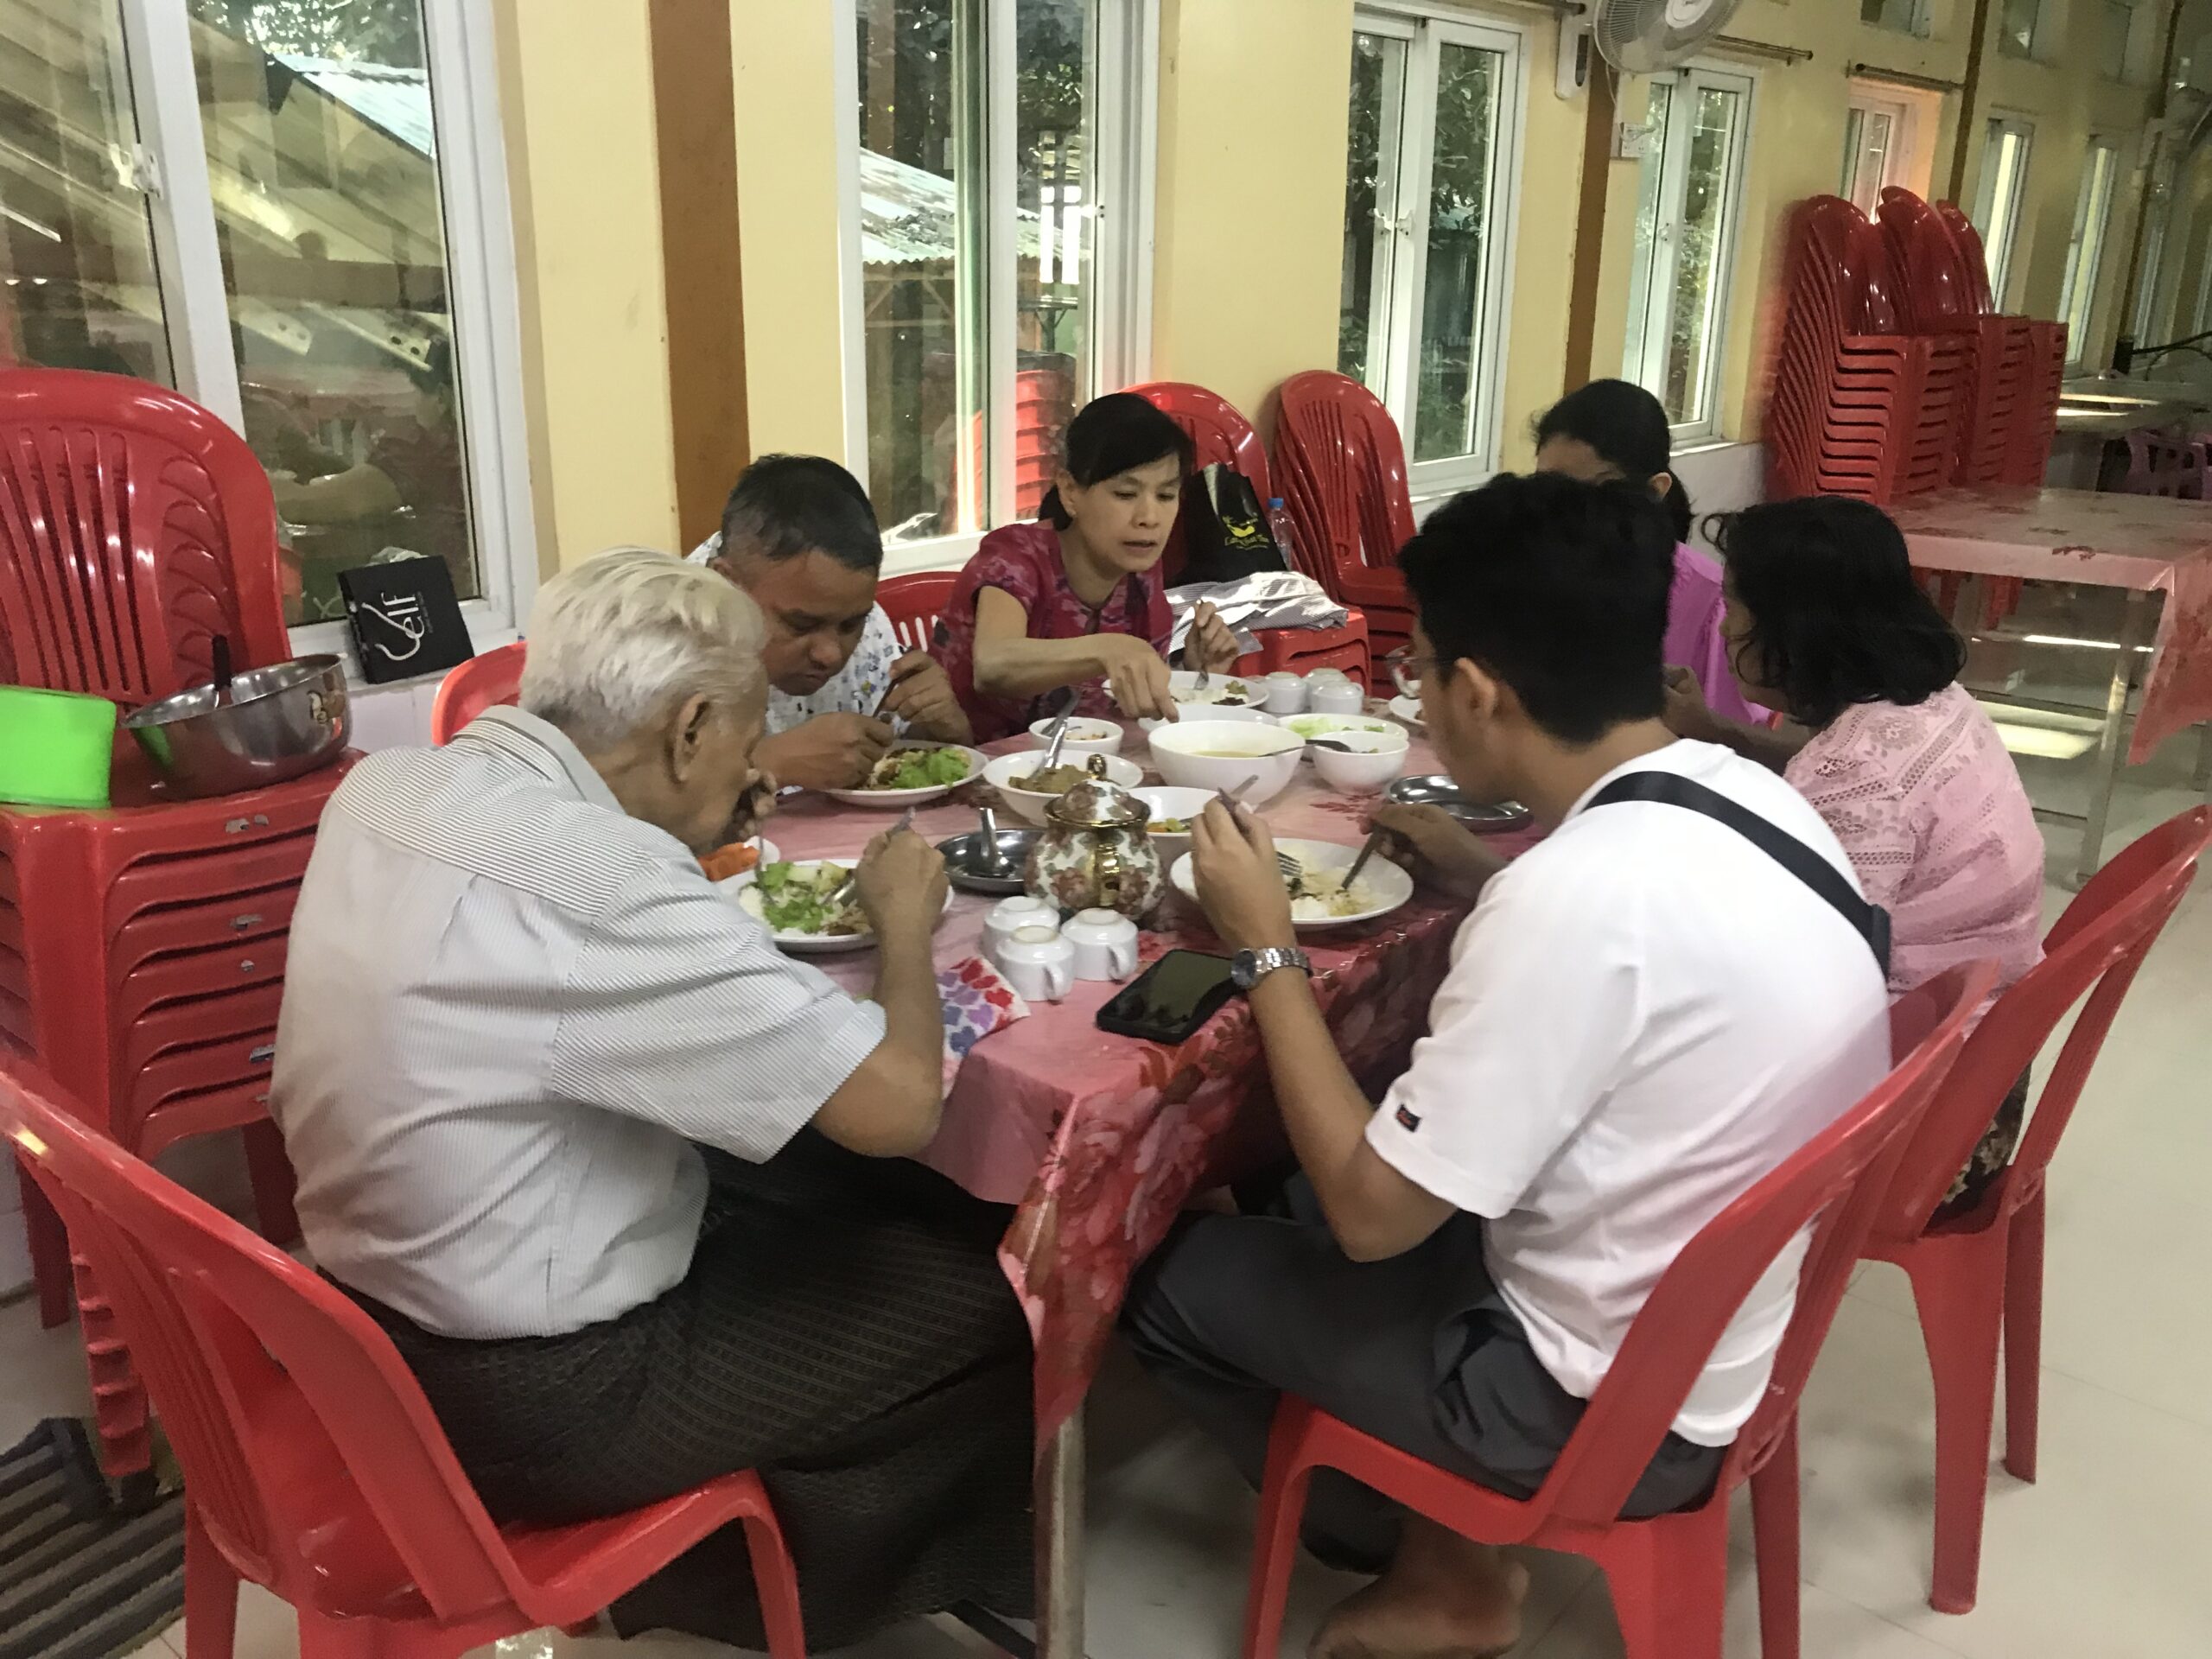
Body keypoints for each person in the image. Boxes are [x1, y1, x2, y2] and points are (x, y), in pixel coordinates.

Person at [1124, 473, 1891, 1658]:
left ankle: (1442, 1565)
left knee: (1154, 1268)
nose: (1419, 694)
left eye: (1421, 668)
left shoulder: (1572, 900)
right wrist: (1488, 881)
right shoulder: (1747, 790)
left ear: (1477, 692)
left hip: (1599, 1410)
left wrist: (1265, 942)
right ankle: (1434, 1536)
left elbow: (1373, 1220)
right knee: (1319, 1160)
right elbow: (1628, 966)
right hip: (1718, 1333)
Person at [270, 549, 1032, 1650]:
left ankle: (802, 1527)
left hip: (358, 1320)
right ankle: (724, 1582)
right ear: (687, 730)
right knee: (986, 1293)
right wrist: (903, 924)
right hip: (533, 1399)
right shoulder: (603, 881)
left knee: (818, 1171)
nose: (749, 766)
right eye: (742, 741)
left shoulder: (388, 785)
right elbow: (899, 1106)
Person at [1665, 495, 2045, 1215]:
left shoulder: (1854, 777)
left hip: (1927, 1120)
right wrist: (1718, 731)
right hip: (1982, 1063)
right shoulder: (1926, 702)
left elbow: (1804, 989)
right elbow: (1831, 766)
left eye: (1737, 604)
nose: (1724, 624)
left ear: (1795, 629)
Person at [932, 391, 1242, 739]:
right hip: (965, 761)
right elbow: (993, 665)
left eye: (1166, 496)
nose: (1149, 517)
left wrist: (1195, 673)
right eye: (1125, 494)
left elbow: (1129, 710)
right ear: (1070, 492)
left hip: (1078, 761)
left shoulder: (1140, 572)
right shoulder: (1015, 558)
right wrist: (1108, 649)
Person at [688, 454, 972, 789]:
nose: (831, 655)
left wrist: (942, 730)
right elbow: (636, 811)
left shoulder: (861, 617)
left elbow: (891, 764)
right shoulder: (661, 643)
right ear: (727, 585)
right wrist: (769, 762)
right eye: (801, 625)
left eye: (851, 626)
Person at [1532, 379, 1766, 727]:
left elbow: (1730, 738)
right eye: (1546, 490)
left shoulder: (1712, 604)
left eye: (1589, 495)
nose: (1562, 514)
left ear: (1654, 490)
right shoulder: (1530, 575)